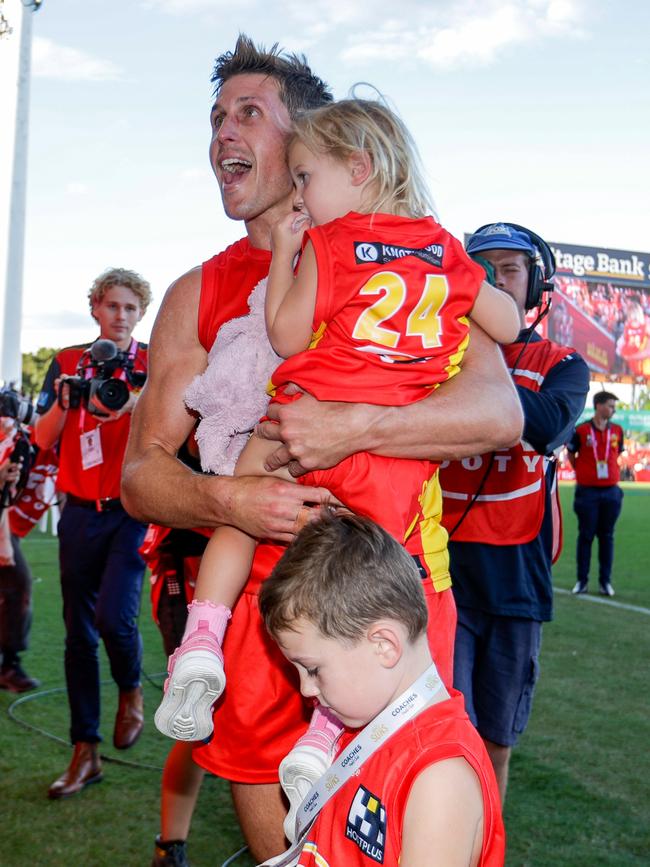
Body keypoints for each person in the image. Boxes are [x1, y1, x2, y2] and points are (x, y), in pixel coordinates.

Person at [121, 36, 522, 863]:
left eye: (248, 115)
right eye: (215, 119)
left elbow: (498, 414)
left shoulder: (407, 250)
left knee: (404, 794)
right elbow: (140, 474)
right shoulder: (196, 291)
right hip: (258, 585)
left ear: (312, 141)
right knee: (272, 798)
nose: (222, 135)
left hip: (394, 570)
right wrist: (231, 500)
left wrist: (355, 427)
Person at [439, 222, 590, 803]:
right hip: (438, 563)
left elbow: (550, 423)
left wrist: (477, 363)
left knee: (496, 737)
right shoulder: (432, 350)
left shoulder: (562, 361)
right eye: (482, 270)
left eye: (509, 270)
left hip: (515, 570)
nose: (495, 281)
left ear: (536, 285)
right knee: (443, 731)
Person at [258, 512, 505, 867]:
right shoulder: (366, 727)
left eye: (313, 669)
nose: (306, 688)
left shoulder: (438, 780)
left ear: (384, 646)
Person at [34, 267, 151, 799]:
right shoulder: (66, 361)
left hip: (131, 507)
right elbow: (40, 437)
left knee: (113, 616)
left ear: (141, 313)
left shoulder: (154, 361)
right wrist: (66, 397)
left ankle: (131, 687)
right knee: (77, 633)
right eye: (112, 306)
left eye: (130, 308)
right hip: (79, 509)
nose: (120, 316)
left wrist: (135, 402)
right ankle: (86, 750)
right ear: (95, 309)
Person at [566, 391, 624, 597]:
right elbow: (571, 454)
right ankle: (582, 581)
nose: (613, 409)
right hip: (587, 491)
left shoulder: (617, 430)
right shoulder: (581, 430)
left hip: (611, 491)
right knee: (586, 536)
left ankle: (605, 582)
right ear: (598, 406)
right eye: (610, 405)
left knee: (607, 536)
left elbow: (618, 454)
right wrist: (583, 472)